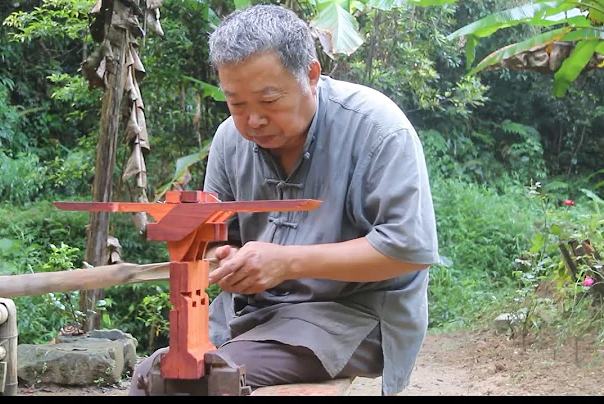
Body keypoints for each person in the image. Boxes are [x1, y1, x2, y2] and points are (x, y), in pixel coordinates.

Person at [129, 4, 439, 396]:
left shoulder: (377, 129)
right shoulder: (230, 139)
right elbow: (218, 238)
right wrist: (222, 256)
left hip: (353, 314)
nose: (253, 120)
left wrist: (287, 262)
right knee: (151, 375)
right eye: (236, 104)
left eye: (269, 100)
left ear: (311, 75)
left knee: (206, 380)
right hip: (253, 314)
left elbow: (408, 251)